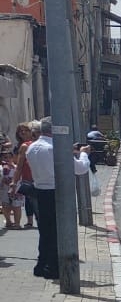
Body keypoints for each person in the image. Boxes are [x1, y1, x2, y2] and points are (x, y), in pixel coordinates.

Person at [24, 117, 90, 278]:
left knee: (45, 231)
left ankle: (42, 264)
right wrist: (83, 155)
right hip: (56, 192)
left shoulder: (32, 148)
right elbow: (80, 169)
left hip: (39, 191)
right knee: (57, 232)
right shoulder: (54, 149)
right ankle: (52, 268)